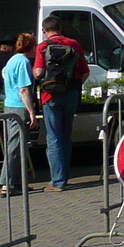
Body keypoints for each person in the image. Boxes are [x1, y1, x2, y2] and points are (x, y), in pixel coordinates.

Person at [32, 15, 89, 192]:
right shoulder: (73, 44)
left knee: (53, 137)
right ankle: (64, 176)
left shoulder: (43, 46)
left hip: (50, 96)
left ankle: (57, 181)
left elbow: (38, 72)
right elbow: (85, 72)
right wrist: (73, 85)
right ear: (61, 28)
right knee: (66, 136)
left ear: (44, 31)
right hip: (70, 94)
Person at [0, 33, 38, 196]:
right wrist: (32, 112)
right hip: (18, 107)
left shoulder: (12, 60)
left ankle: (17, 181)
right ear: (32, 47)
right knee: (15, 146)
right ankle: (6, 183)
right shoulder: (23, 62)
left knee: (19, 145)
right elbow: (23, 89)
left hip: (9, 105)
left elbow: (4, 73)